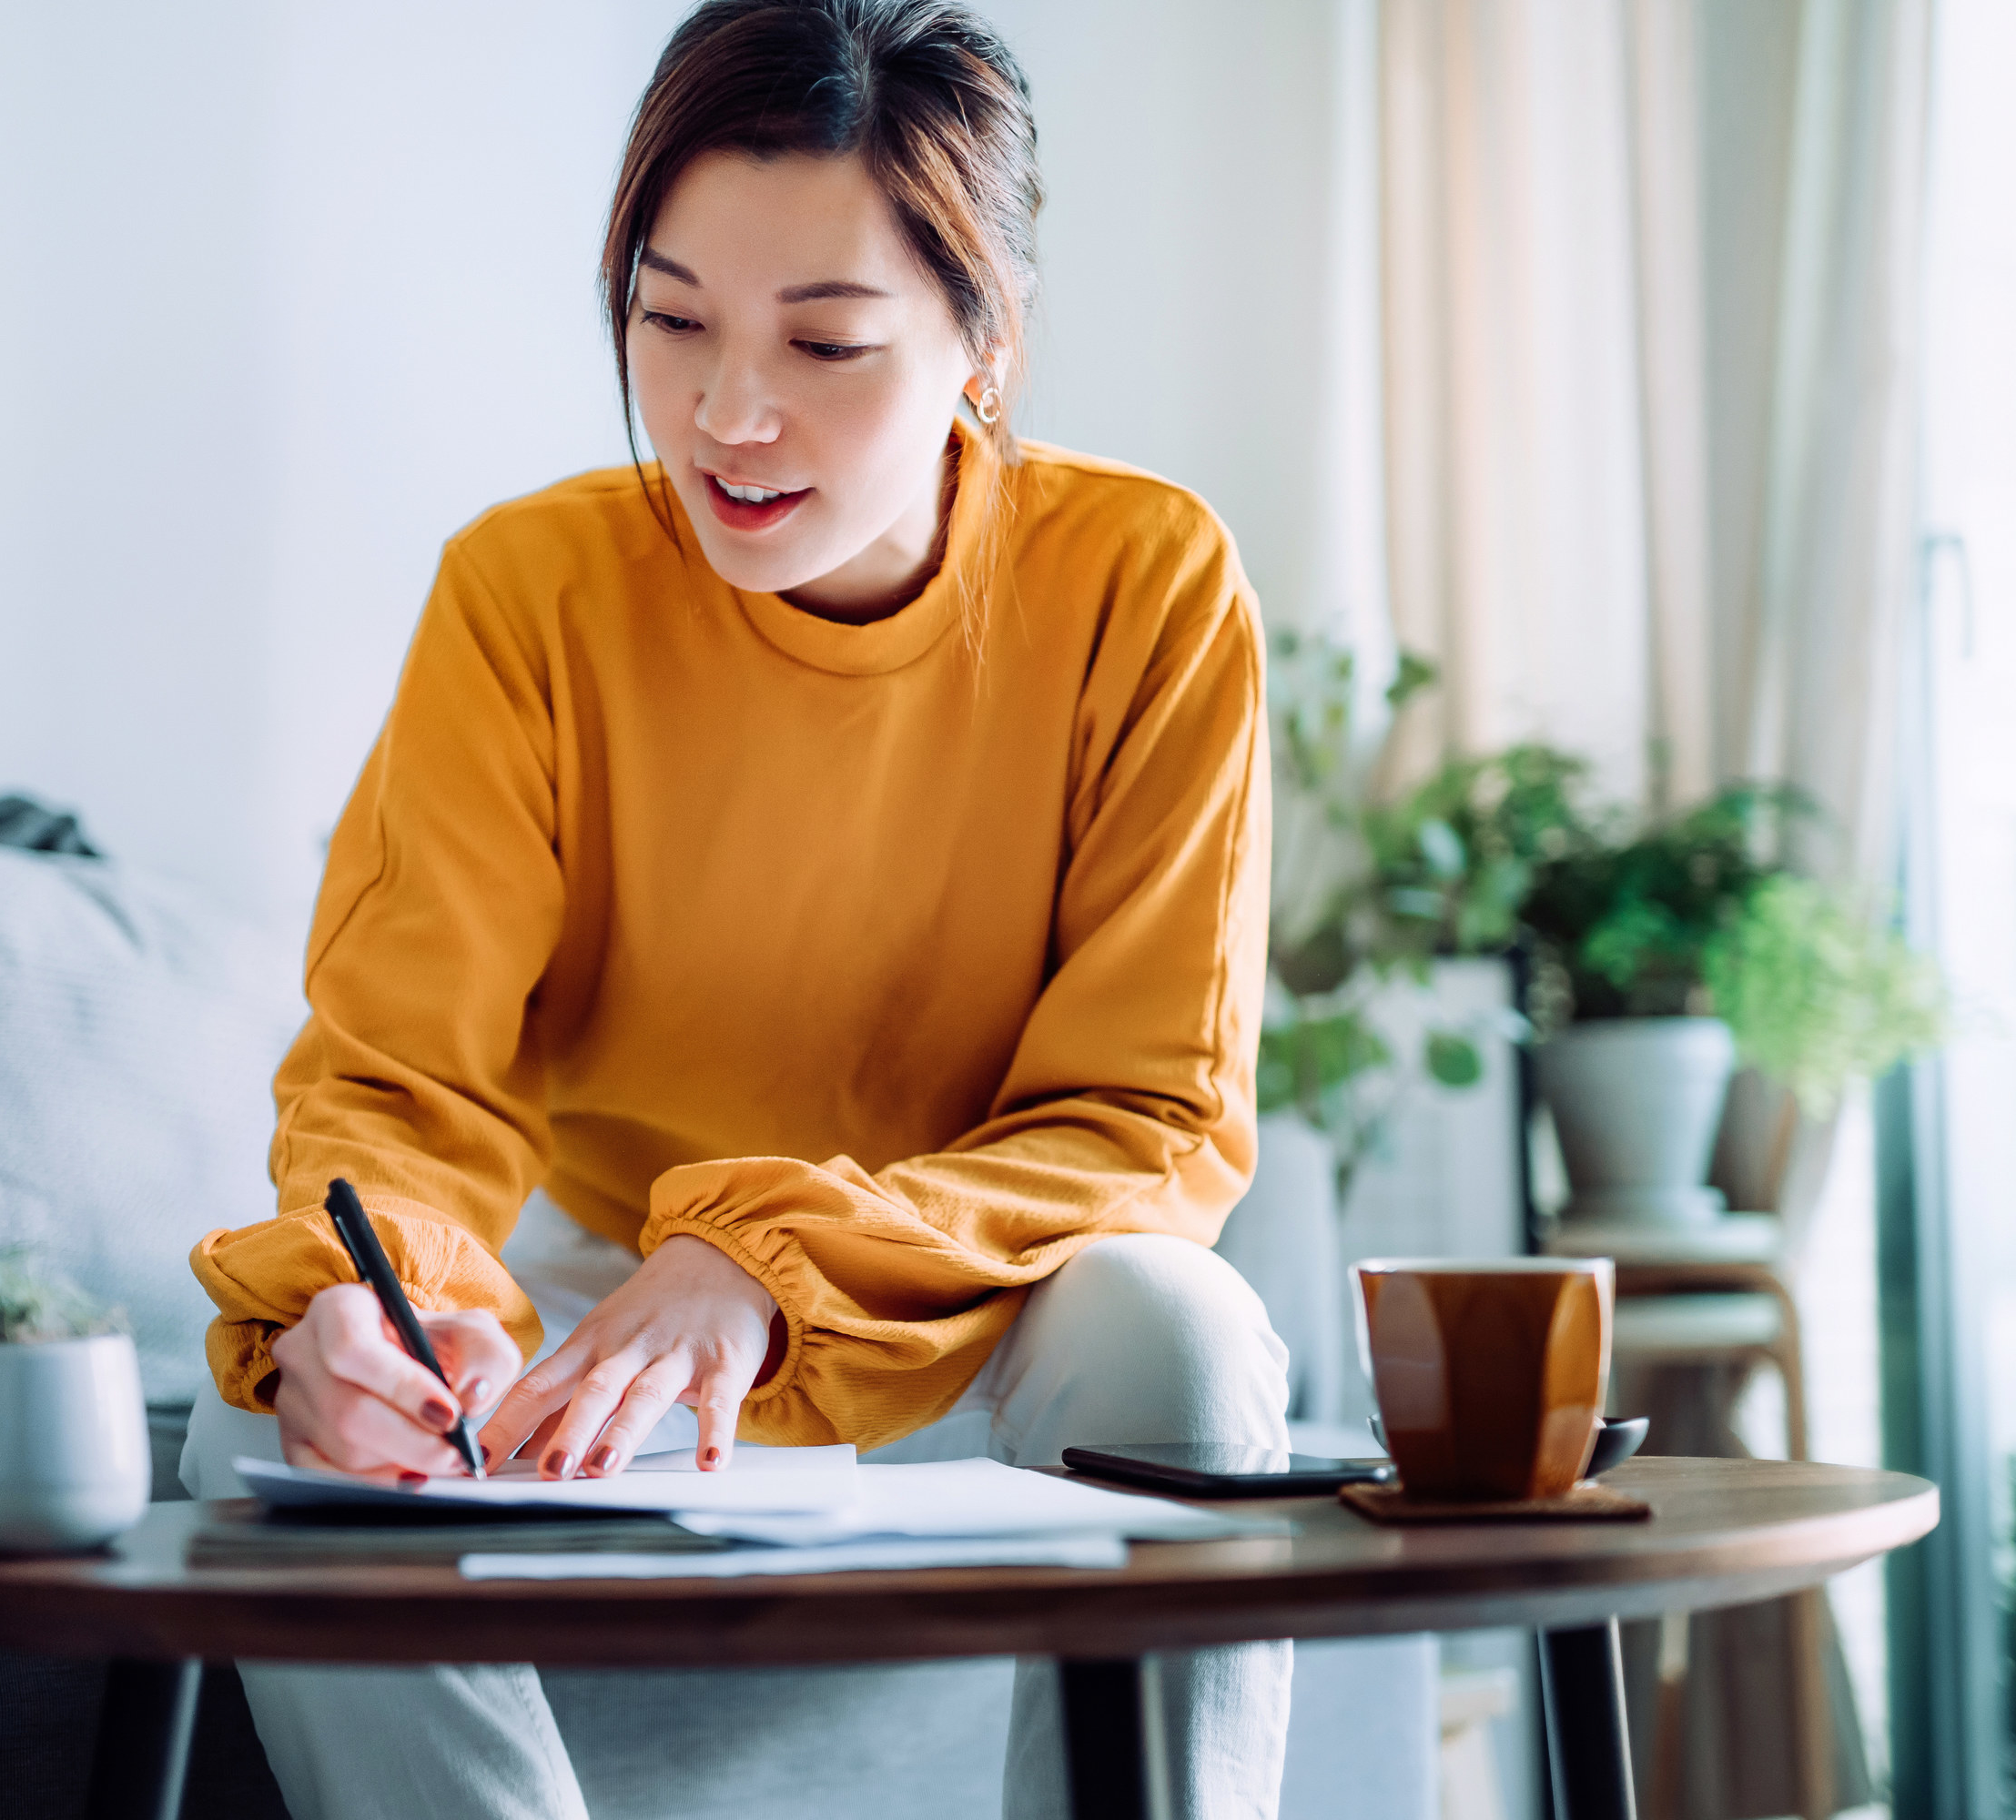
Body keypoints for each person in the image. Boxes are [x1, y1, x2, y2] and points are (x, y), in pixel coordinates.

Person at [182, 1, 1292, 1812]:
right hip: (593, 1280)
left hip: (968, 1279)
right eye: (671, 318)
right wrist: (394, 1306)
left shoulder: (1146, 585)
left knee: (1182, 1327)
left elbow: (1150, 1117)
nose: (727, 414)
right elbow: (398, 1084)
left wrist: (769, 1262)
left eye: (829, 341)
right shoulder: (526, 593)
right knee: (283, 1384)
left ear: (983, 351)